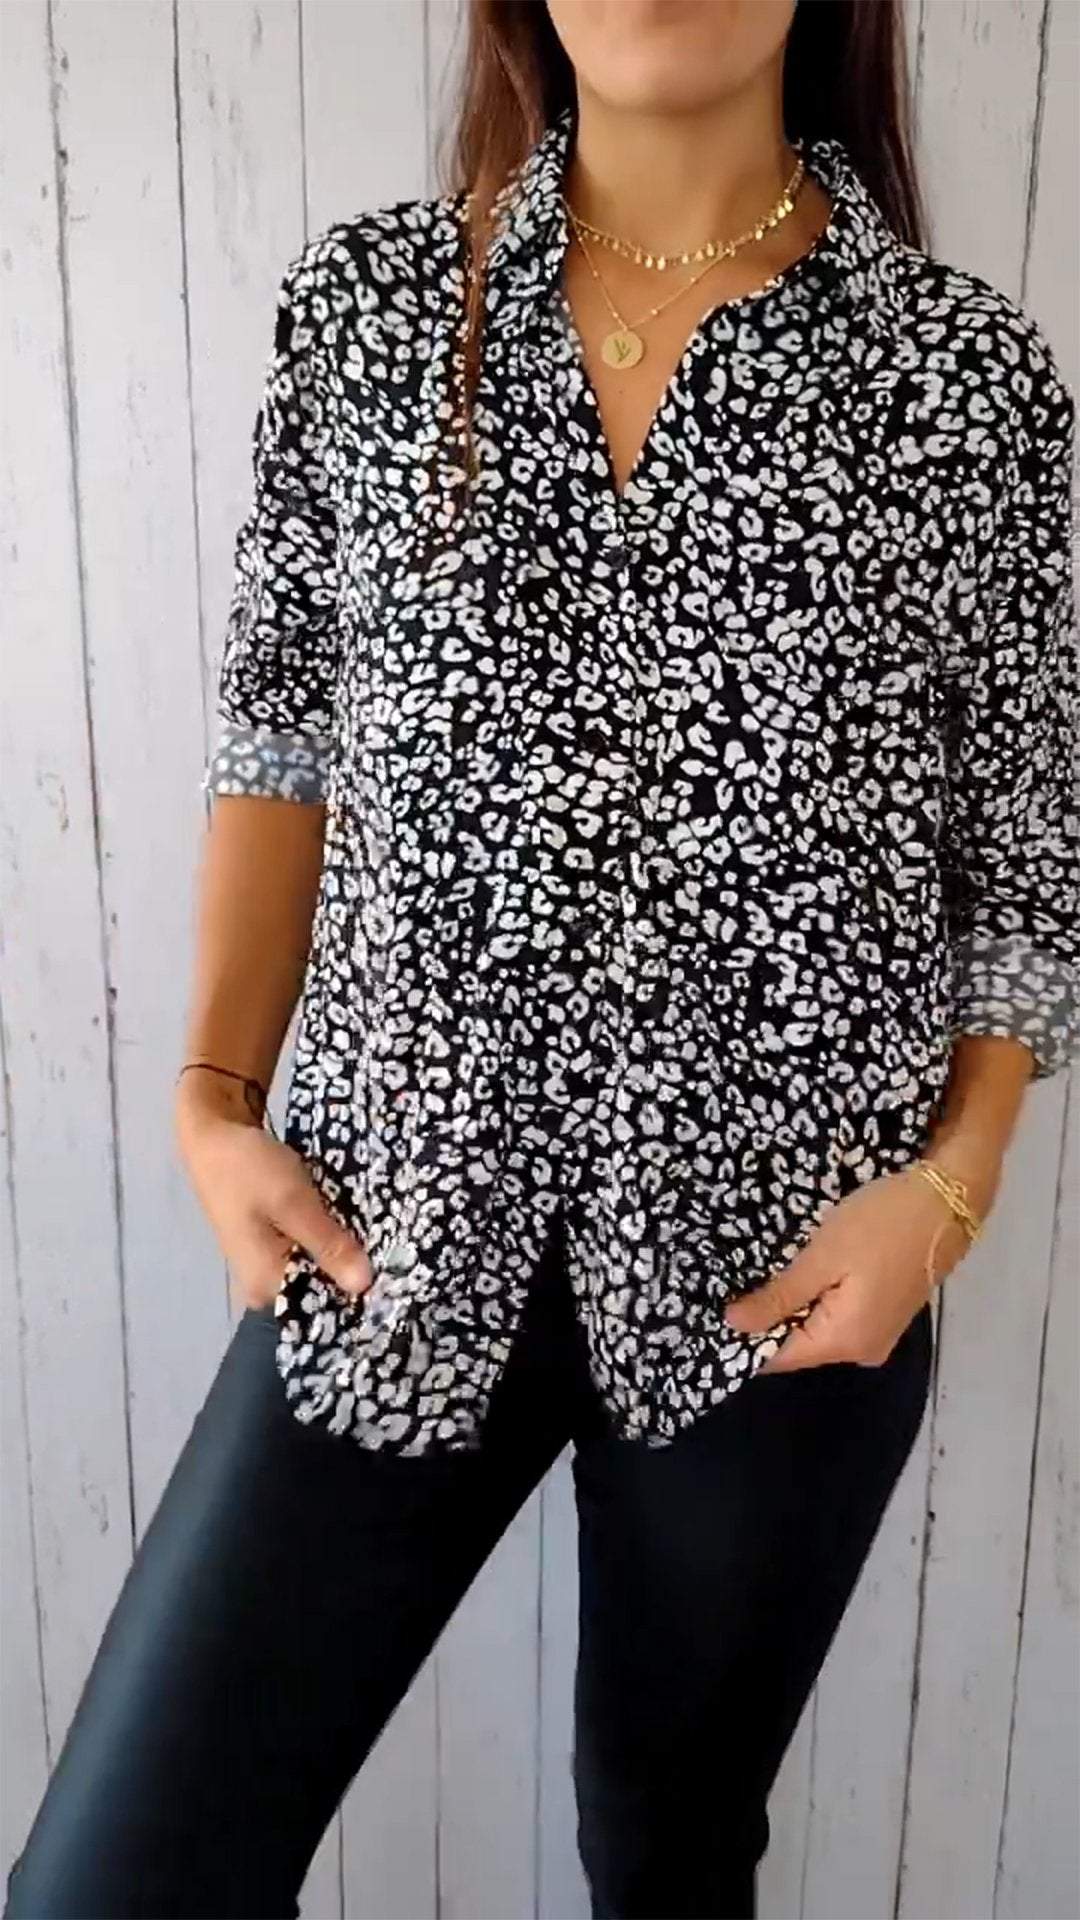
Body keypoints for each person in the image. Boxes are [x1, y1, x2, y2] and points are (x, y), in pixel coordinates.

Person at [7, 1, 1078, 1915]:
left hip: (784, 1281)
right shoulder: (371, 313)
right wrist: (210, 1103)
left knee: (667, 1855)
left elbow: (1024, 848)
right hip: (390, 1226)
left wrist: (949, 1192)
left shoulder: (962, 379)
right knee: (118, 1876)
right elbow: (281, 739)